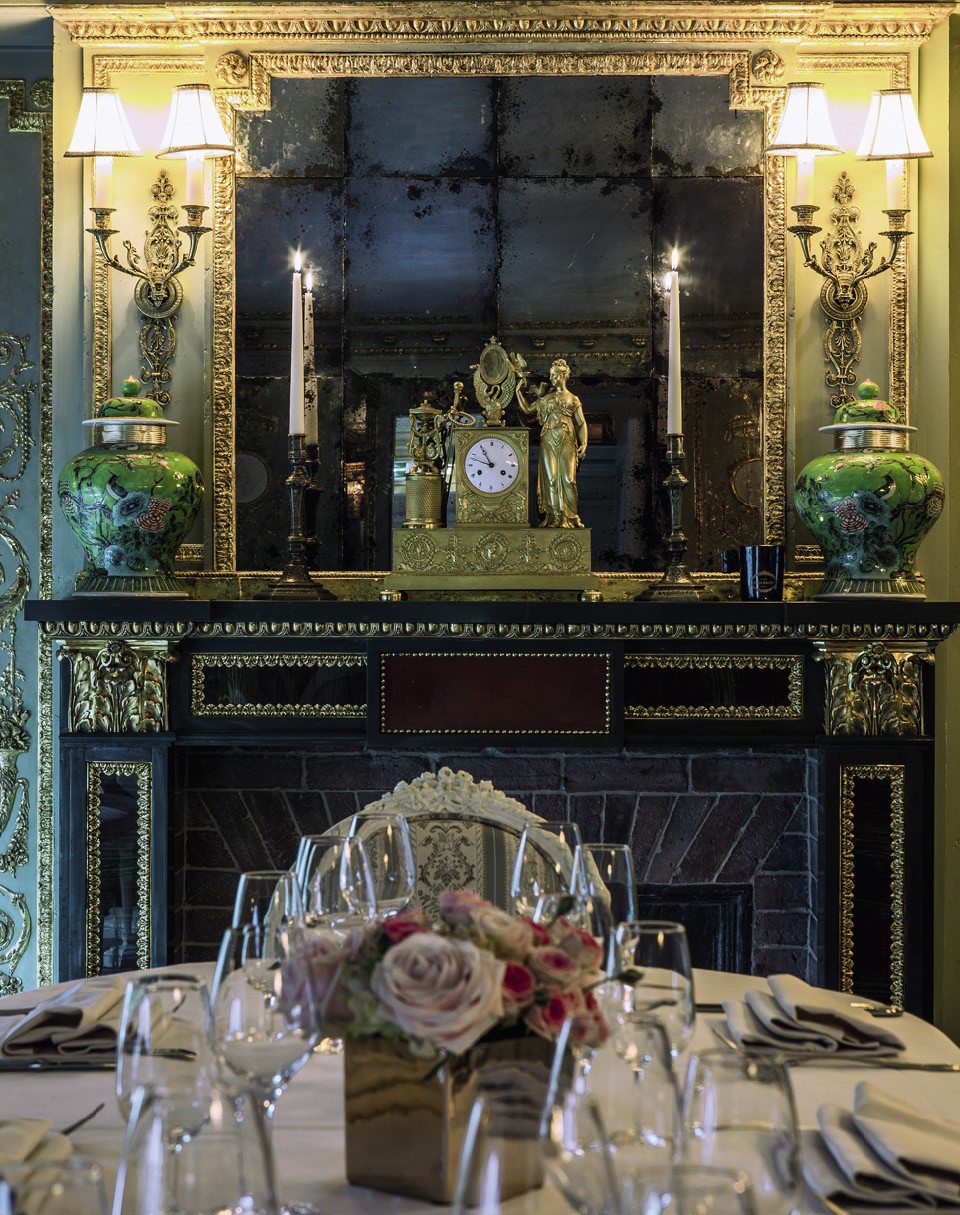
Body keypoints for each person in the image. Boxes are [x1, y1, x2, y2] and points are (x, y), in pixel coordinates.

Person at [516, 357, 588, 528]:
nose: (551, 378)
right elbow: (527, 409)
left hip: (567, 439)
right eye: (551, 375)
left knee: (569, 479)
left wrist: (584, 443)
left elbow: (581, 423)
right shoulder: (547, 399)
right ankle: (554, 516)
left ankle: (571, 517)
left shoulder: (573, 399)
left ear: (563, 376)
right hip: (548, 439)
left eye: (554, 375)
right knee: (552, 478)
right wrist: (518, 391)